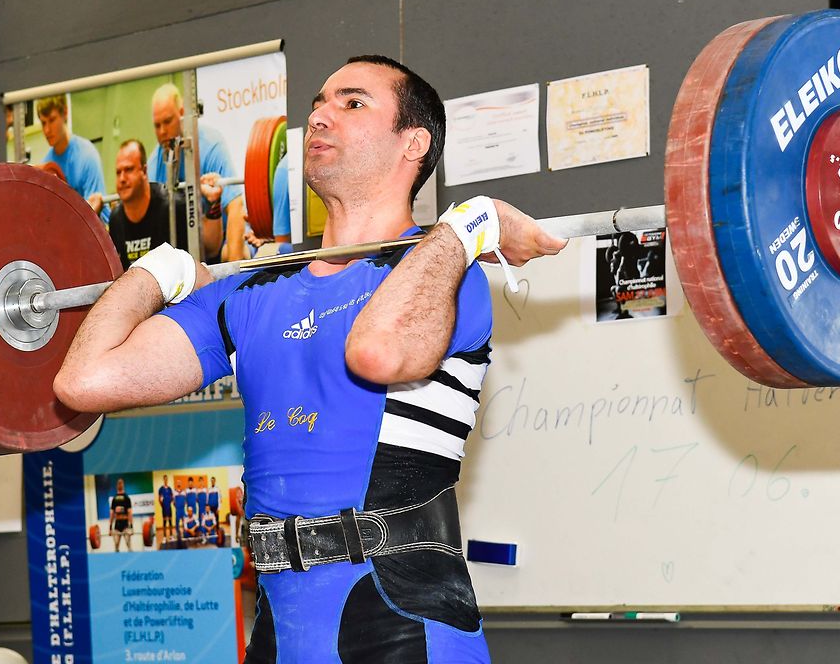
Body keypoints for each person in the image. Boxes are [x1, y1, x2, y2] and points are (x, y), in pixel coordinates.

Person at [55, 55, 564, 662]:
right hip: (278, 630)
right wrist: (152, 273)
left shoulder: (448, 280)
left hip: (401, 624)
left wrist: (462, 229)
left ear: (414, 143)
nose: (320, 115)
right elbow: (84, 381)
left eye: (352, 103)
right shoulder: (252, 290)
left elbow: (379, 351)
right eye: (318, 103)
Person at [148, 83, 245, 262]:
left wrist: (235, 272)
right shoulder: (154, 164)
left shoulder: (212, 145)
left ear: (182, 113)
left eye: (167, 121)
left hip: (219, 245)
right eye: (157, 125)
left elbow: (235, 206)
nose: (162, 131)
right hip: (184, 250)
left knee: (231, 254)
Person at [107, 140, 220, 268]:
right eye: (118, 172)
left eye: (128, 170)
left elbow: (211, 250)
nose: (122, 179)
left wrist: (214, 203)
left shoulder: (173, 206)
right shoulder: (115, 219)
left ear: (144, 171)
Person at [37, 94, 109, 224]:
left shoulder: (87, 155)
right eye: (43, 123)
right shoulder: (46, 166)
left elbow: (94, 213)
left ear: (65, 113)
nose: (47, 130)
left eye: (52, 120)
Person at [109, 478, 133, 552]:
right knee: (116, 547)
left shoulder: (127, 498)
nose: (119, 484)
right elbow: (112, 513)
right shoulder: (114, 498)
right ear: (117, 486)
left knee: (129, 546)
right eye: (118, 483)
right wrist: (110, 528)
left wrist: (131, 527)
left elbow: (130, 512)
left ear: (123, 485)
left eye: (121, 483)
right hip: (117, 524)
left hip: (125, 524)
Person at [157, 474, 175, 539]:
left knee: (170, 522)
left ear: (167, 480)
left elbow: (172, 497)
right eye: (165, 479)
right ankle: (164, 536)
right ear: (163, 480)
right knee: (164, 522)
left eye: (166, 479)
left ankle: (171, 535)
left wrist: (171, 501)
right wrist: (163, 505)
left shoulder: (170, 489)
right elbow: (159, 499)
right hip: (164, 508)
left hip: (169, 507)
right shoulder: (161, 489)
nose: (166, 480)